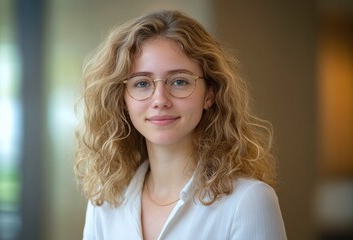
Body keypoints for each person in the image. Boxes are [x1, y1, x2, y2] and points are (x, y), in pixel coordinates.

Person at [74, 9, 287, 240]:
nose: (160, 100)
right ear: (122, 99)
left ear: (210, 94)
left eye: (179, 81)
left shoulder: (249, 202)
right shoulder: (105, 202)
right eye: (142, 83)